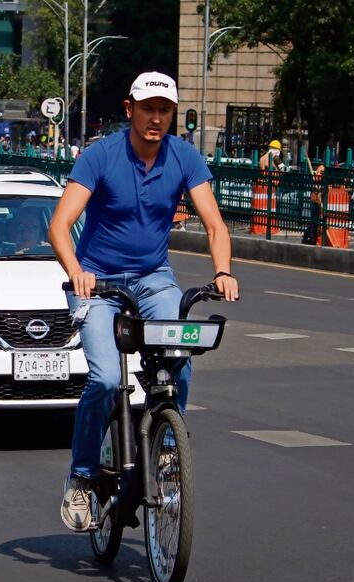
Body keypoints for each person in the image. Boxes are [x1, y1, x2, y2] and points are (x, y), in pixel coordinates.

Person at [47, 71, 240, 532]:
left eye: (165, 110)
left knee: (180, 351)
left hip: (154, 279)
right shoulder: (101, 155)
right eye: (149, 108)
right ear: (130, 109)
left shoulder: (184, 156)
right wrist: (77, 272)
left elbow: (215, 225)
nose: (157, 118)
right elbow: (59, 226)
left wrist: (222, 271)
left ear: (173, 115)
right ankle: (82, 476)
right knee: (105, 377)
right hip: (100, 283)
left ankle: (167, 445)